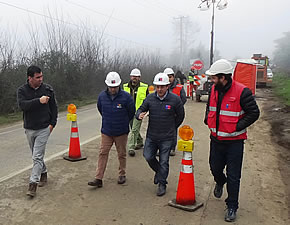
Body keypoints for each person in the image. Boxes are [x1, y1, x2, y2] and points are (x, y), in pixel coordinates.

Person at [204, 59, 260, 222]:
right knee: (215, 168)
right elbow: (210, 107)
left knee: (234, 175)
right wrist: (207, 118)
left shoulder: (242, 92)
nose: (212, 81)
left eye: (214, 78)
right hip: (216, 139)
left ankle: (232, 206)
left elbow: (254, 113)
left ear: (224, 77)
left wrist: (237, 126)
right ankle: (220, 181)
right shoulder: (214, 89)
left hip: (234, 142)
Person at [136, 73, 185, 197]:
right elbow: (141, 108)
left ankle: (162, 184)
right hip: (152, 135)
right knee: (148, 156)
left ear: (167, 86)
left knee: (164, 161)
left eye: (162, 87)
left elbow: (180, 116)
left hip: (167, 137)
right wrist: (139, 114)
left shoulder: (175, 100)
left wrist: (172, 127)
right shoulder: (150, 98)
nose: (159, 89)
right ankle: (159, 173)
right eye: (157, 87)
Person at [88, 72, 135, 188]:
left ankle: (122, 174)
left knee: (121, 154)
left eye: (115, 87)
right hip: (107, 131)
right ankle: (98, 178)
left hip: (121, 132)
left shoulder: (126, 97)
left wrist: (123, 122)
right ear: (107, 86)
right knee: (102, 153)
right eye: (111, 87)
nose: (113, 89)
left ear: (119, 85)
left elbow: (131, 112)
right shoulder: (102, 97)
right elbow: (101, 109)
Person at [17, 65, 58, 197]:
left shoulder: (48, 89)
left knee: (37, 156)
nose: (41, 79)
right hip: (29, 128)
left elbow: (54, 108)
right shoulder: (22, 91)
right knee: (36, 155)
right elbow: (23, 106)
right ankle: (43, 172)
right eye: (37, 77)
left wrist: (52, 124)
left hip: (44, 128)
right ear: (30, 78)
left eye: (41, 76)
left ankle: (32, 184)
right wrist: (39, 101)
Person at [123, 68, 149, 157]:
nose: (135, 78)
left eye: (137, 77)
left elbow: (148, 100)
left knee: (134, 129)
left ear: (140, 78)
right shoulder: (124, 87)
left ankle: (131, 147)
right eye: (133, 76)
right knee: (134, 129)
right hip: (128, 112)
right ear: (130, 77)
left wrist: (146, 111)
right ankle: (140, 141)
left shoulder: (144, 87)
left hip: (139, 112)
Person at [164, 67, 187, 156]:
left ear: (173, 77)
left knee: (173, 130)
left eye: (170, 77)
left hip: (174, 114)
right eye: (167, 77)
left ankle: (172, 148)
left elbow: (183, 99)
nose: (169, 79)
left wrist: (177, 108)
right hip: (164, 113)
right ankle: (164, 148)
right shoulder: (162, 86)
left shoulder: (179, 87)